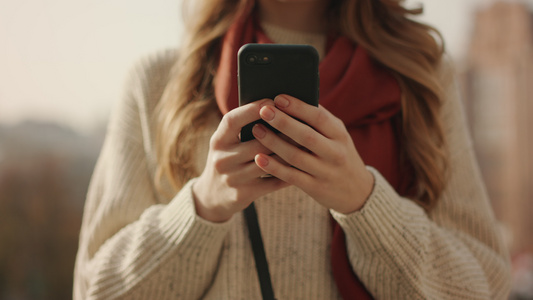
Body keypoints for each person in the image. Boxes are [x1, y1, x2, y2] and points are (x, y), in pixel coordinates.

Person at [73, 0, 512, 299]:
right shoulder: (157, 82)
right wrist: (203, 205)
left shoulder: (421, 75)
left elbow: (487, 286)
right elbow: (94, 287)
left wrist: (365, 202)